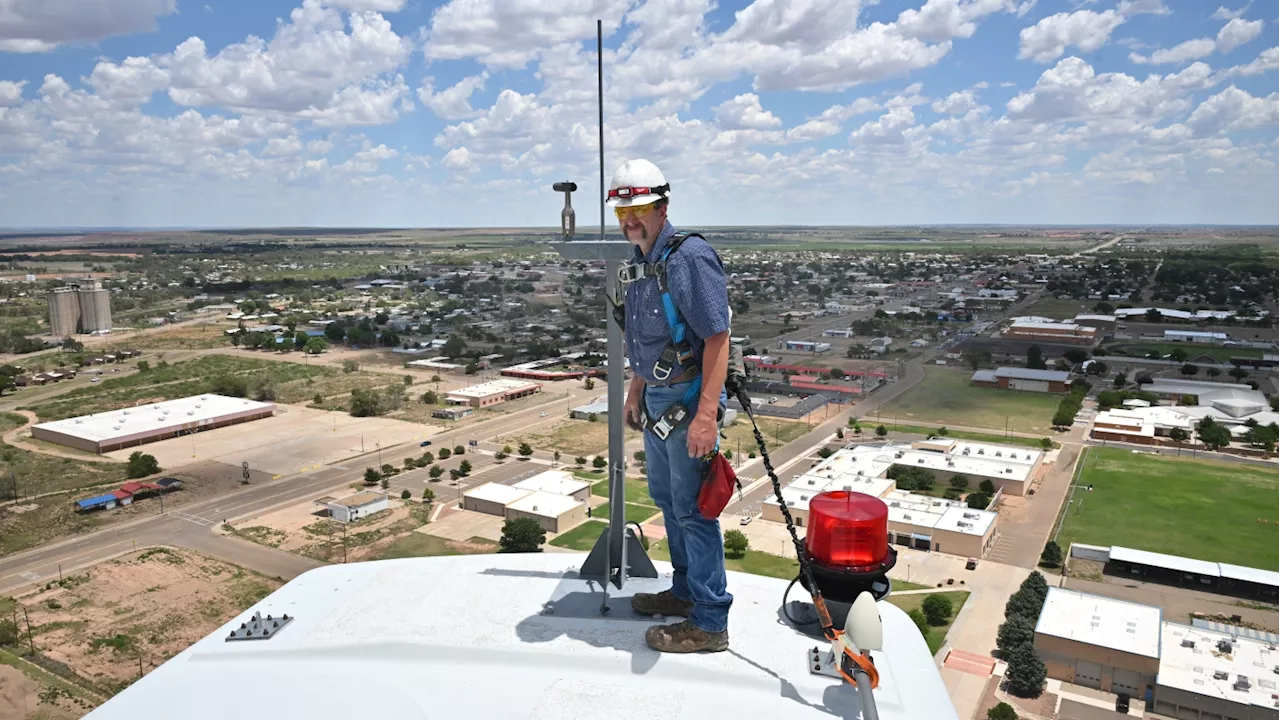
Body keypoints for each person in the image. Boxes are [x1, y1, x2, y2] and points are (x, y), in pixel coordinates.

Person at [606, 158, 732, 653]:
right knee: (666, 499)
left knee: (693, 511)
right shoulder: (642, 260)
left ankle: (709, 620)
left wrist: (706, 414)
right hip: (658, 396)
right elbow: (649, 338)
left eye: (638, 210)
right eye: (623, 213)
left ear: (662, 206)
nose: (630, 221)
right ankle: (684, 593)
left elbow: (717, 340)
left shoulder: (688, 258)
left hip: (686, 398)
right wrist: (635, 389)